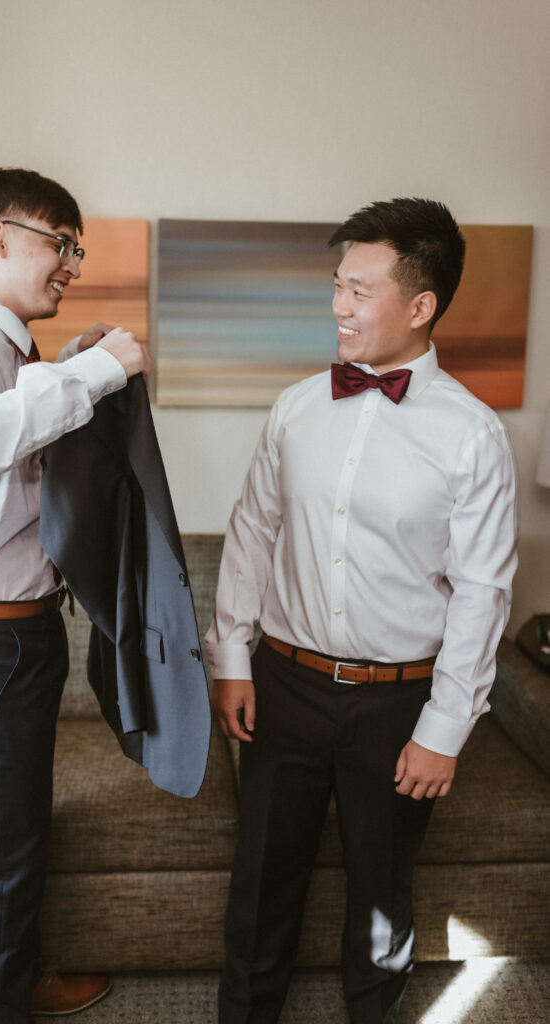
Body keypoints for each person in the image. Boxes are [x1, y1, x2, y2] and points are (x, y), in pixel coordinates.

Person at [206, 197, 519, 1024]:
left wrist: (443, 728)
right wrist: (231, 658)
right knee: (261, 888)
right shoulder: (298, 407)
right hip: (284, 686)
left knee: (382, 903)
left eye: (359, 289)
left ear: (420, 307)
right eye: (337, 285)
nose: (338, 305)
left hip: (397, 704)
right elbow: (252, 532)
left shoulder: (473, 436)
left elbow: (484, 593)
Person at [0, 167, 151, 1024]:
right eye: (62, 244)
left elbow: (15, 461)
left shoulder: (10, 350)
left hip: (18, 639)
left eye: (76, 249)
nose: (72, 264)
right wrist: (89, 380)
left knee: (20, 841)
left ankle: (19, 980)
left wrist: (71, 365)